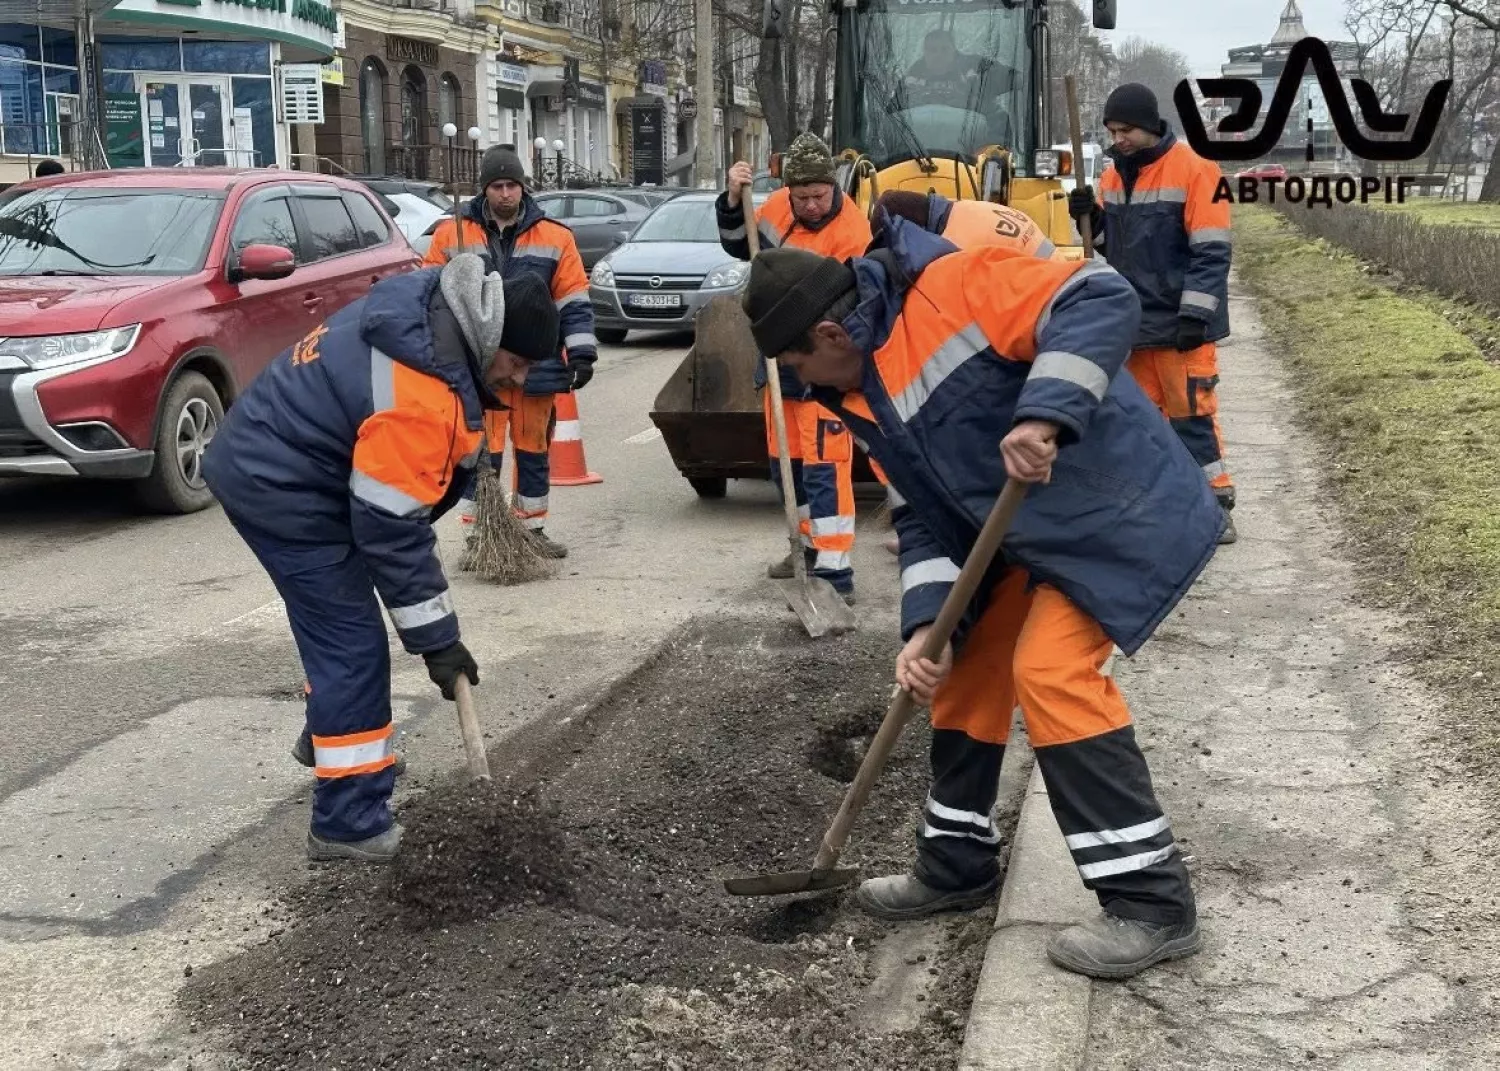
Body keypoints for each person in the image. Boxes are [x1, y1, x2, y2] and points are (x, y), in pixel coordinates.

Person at [738, 217, 1223, 979]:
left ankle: (1153, 903)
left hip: (1113, 510)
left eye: (799, 363)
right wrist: (927, 626)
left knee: (1052, 672)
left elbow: (1098, 294)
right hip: (1026, 538)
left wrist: (1044, 410)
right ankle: (957, 863)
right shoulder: (856, 389)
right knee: (955, 665)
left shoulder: (954, 287)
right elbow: (921, 515)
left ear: (831, 331)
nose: (802, 383)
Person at [202, 254, 561, 862]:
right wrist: (439, 644)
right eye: (518, 365)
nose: (521, 382)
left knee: (344, 633)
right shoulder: (422, 394)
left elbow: (395, 516)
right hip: (282, 487)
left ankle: (330, 735)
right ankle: (350, 824)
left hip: (295, 461)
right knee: (351, 644)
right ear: (490, 338)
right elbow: (393, 530)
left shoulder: (435, 312)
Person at [1067, 83, 1237, 543]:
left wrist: (1194, 317)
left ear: (1148, 126)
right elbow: (1109, 247)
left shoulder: (1197, 170)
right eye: (1111, 130)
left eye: (1125, 130)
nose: (1117, 138)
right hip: (1137, 322)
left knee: (1191, 418)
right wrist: (1088, 219)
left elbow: (1212, 252)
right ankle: (1158, 510)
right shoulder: (1112, 177)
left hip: (1181, 325)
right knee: (1140, 423)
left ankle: (1215, 508)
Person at [716, 132, 871, 602]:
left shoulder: (854, 230)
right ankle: (803, 546)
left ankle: (835, 569)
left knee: (826, 465)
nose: (808, 205)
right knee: (787, 461)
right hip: (780, 361)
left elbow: (862, 307)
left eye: (817, 196)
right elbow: (740, 249)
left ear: (833, 186)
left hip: (826, 366)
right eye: (800, 196)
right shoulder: (777, 209)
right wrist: (732, 198)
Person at [423, 144, 596, 559]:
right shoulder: (453, 234)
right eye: (497, 186)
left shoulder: (556, 237)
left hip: (535, 362)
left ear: (523, 187)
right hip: (480, 366)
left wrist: (582, 352)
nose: (505, 193)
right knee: (482, 452)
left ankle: (531, 530)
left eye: (512, 185)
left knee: (534, 448)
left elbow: (572, 300)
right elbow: (430, 293)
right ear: (485, 190)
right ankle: (480, 536)